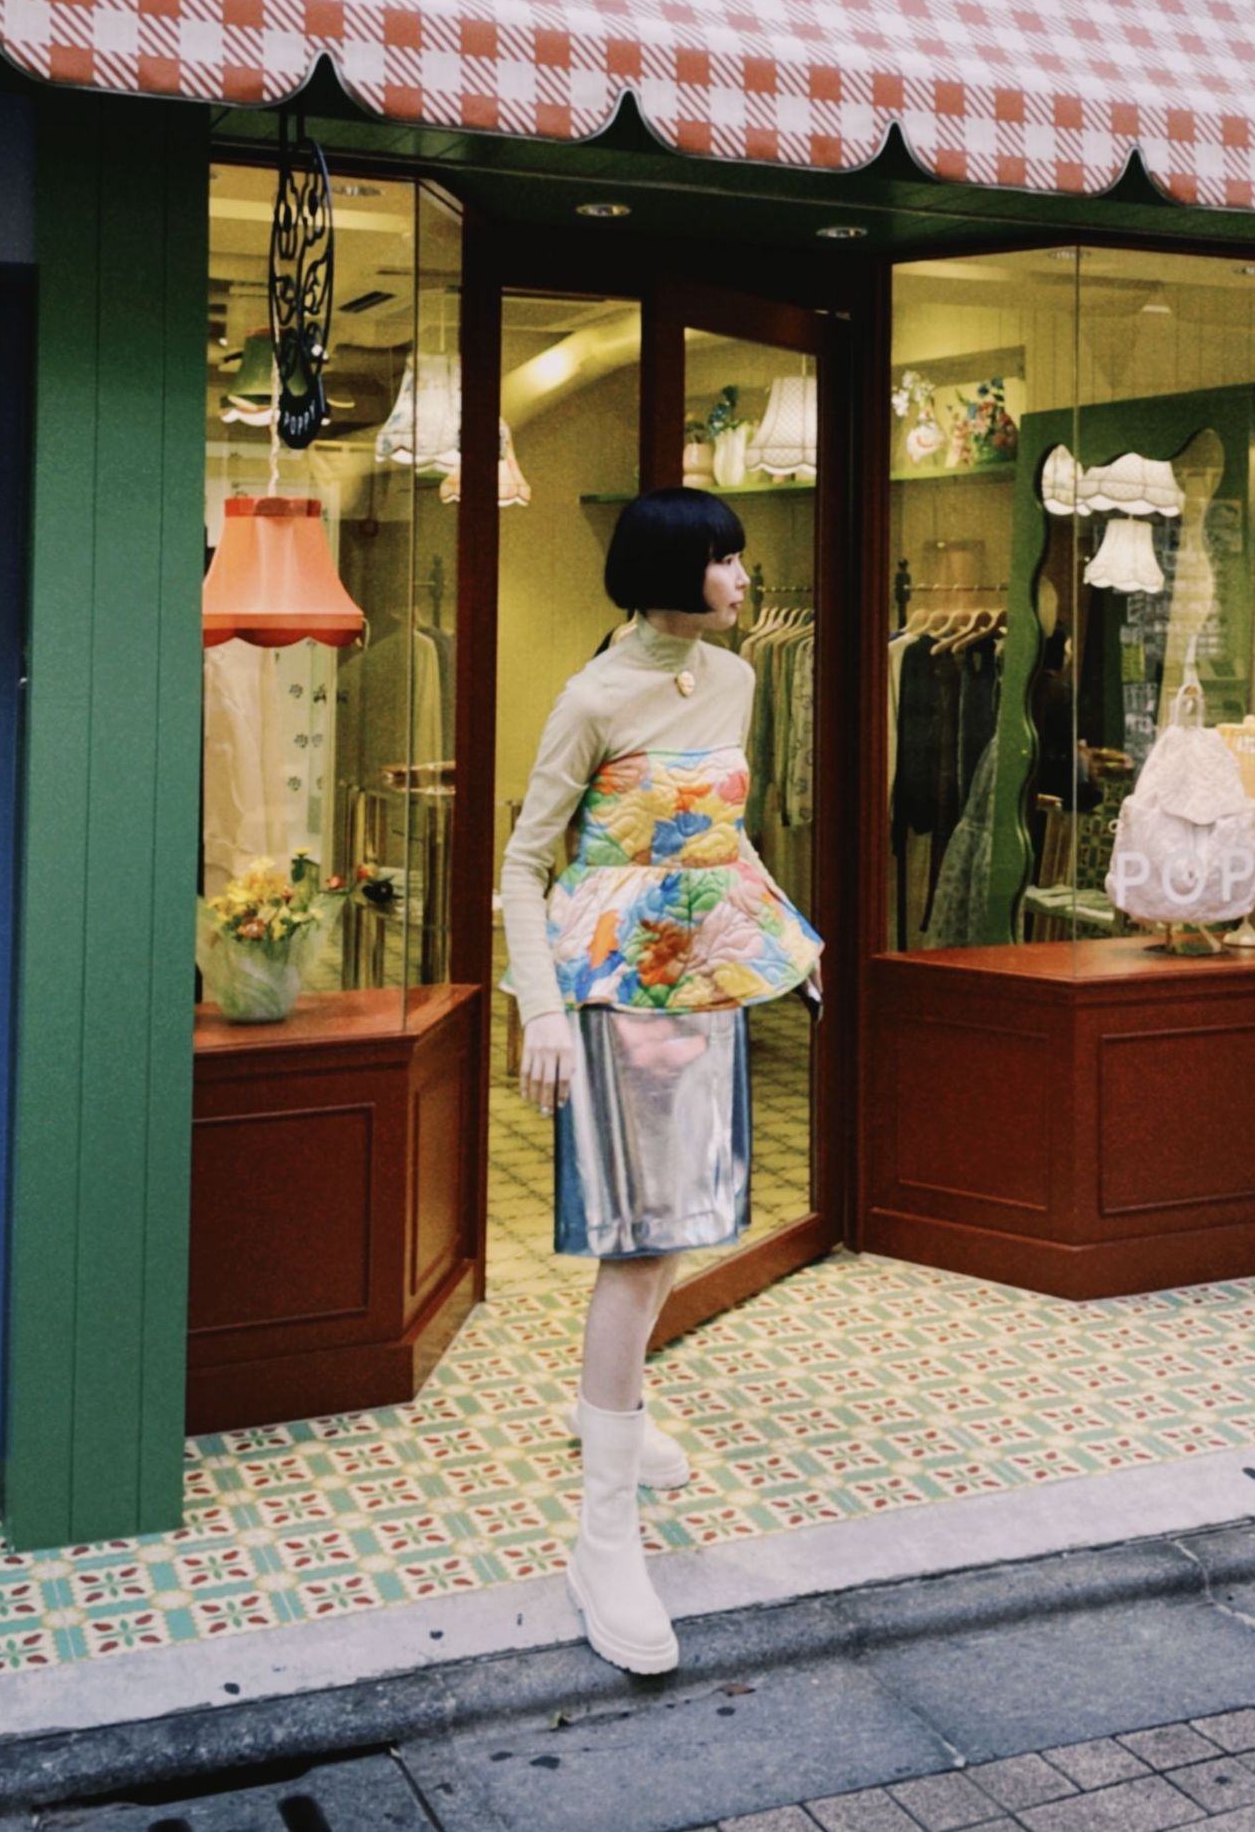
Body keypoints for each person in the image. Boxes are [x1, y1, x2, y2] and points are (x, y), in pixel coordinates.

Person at [501, 487, 822, 1676]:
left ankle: (617, 1428)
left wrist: (788, 938)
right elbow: (526, 860)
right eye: (730, 561)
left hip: (708, 988)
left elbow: (721, 838)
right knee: (636, 1247)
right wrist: (538, 1004)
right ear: (677, 571)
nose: (746, 579)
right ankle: (602, 1534)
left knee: (682, 1226)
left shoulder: (736, 680)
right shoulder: (591, 696)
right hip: (617, 993)